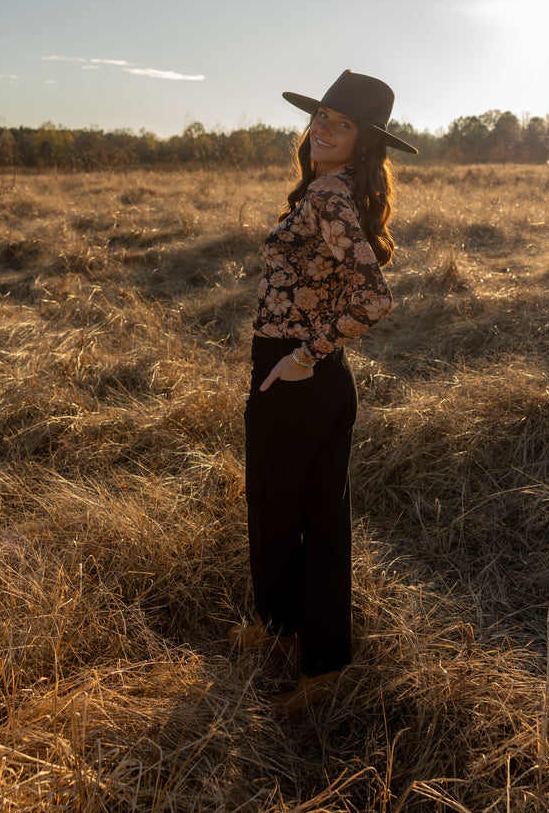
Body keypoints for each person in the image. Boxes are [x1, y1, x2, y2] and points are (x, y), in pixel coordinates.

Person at [229, 69, 417, 715]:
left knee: (282, 515)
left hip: (298, 375)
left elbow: (375, 298)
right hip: (316, 379)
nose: (324, 131)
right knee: (310, 517)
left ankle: (320, 666)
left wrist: (304, 357)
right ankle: (287, 635)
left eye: (343, 125)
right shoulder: (334, 190)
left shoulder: (328, 196)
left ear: (365, 141)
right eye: (321, 117)